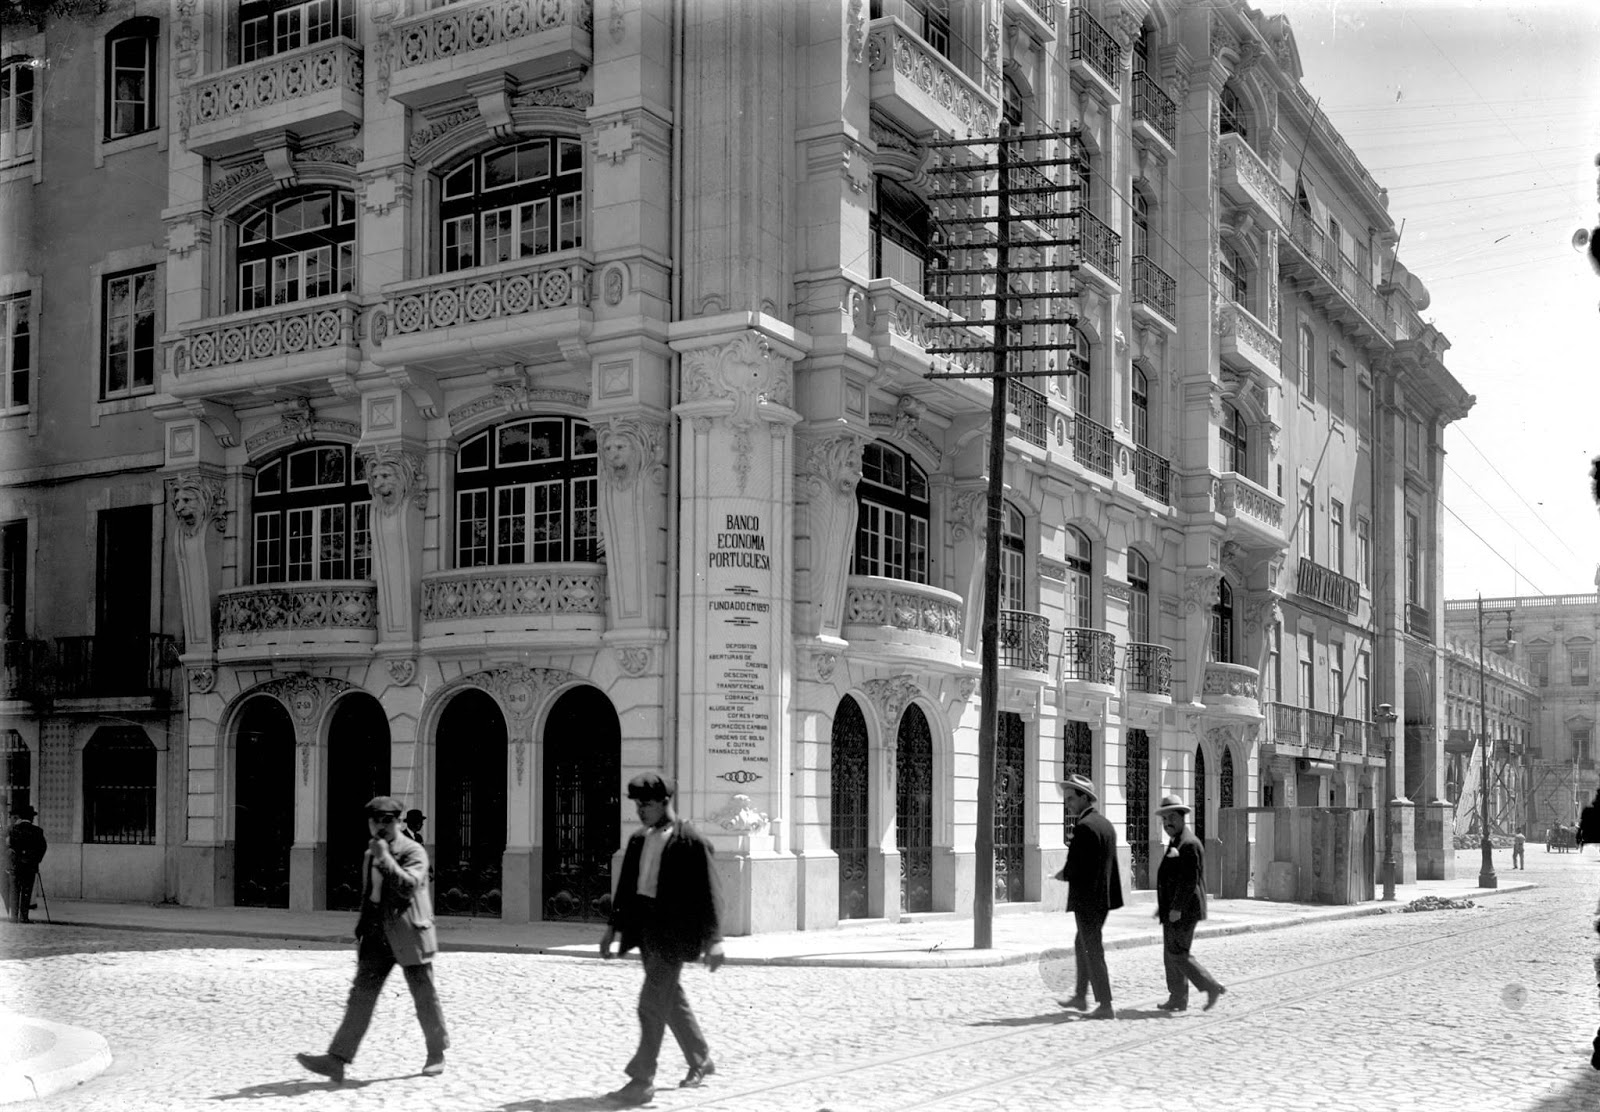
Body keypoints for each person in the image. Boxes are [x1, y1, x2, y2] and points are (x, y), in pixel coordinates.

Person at [296, 796, 449, 1084]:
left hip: (409, 933)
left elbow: (408, 887)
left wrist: (385, 858)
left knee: (424, 996)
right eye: (375, 821)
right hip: (377, 936)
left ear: (399, 822)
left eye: (387, 821)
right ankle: (337, 1059)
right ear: (369, 822)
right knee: (360, 997)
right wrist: (362, 931)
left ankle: (436, 1052)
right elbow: (370, 897)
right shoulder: (371, 854)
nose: (381, 826)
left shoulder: (413, 851)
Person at [600, 773, 724, 1107]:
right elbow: (626, 889)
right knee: (670, 1000)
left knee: (650, 1004)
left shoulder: (691, 841)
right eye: (638, 804)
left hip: (674, 934)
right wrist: (612, 929)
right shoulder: (639, 839)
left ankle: (641, 1080)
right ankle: (700, 1058)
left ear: (665, 802)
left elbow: (709, 893)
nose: (641, 810)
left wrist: (714, 939)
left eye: (648, 804)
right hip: (646, 931)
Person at [1152, 792, 1227, 1013]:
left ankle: (1210, 986)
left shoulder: (1189, 844)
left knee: (1177, 953)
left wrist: (1176, 908)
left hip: (1184, 910)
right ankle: (1177, 997)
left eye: (1171, 818)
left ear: (1183, 817)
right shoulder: (1176, 841)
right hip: (1173, 909)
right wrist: (1163, 907)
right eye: (1164, 819)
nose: (1167, 823)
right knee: (1170, 954)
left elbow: (1188, 881)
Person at [1056, 772, 1122, 1019]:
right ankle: (1081, 996)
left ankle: (1105, 1004)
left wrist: (1063, 874)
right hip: (1102, 899)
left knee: (1092, 948)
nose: (1068, 803)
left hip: (1087, 900)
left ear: (1085, 798)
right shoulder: (1105, 824)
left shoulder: (1084, 827)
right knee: (1081, 943)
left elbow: (1076, 866)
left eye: (1072, 798)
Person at [6, 804, 46, 923]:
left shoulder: (13, 830)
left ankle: (13, 917)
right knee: (26, 892)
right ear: (31, 818)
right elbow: (42, 848)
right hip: (30, 867)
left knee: (14, 892)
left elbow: (8, 847)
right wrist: (36, 861)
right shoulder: (37, 831)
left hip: (16, 866)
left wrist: (12, 860)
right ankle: (24, 917)